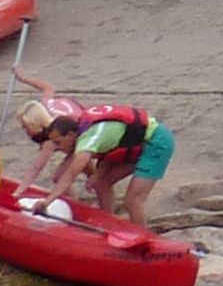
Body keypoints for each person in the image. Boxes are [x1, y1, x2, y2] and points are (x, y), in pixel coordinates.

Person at [19, 95, 173, 224]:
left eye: (59, 143)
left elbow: (71, 174)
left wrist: (48, 201)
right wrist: (98, 174)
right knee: (100, 183)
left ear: (71, 136)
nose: (58, 148)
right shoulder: (82, 125)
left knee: (132, 201)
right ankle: (109, 223)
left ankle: (143, 243)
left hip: (156, 142)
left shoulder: (87, 142)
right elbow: (112, 143)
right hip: (133, 143)